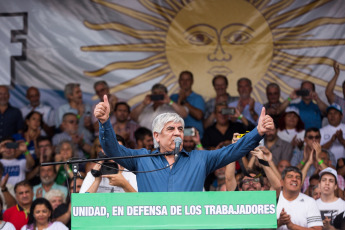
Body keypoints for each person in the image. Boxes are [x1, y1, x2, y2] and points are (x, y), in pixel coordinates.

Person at [95, 94, 274, 192]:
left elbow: (233, 151)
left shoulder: (200, 159)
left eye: (180, 129)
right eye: (170, 129)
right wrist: (104, 122)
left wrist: (257, 132)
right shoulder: (141, 159)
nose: (177, 133)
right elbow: (113, 149)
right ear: (156, 136)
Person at [170, 71, 205, 137]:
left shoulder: (198, 98)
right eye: (182, 79)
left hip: (194, 136)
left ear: (192, 81)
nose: (185, 82)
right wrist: (179, 100)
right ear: (179, 81)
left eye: (187, 80)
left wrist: (184, 101)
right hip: (176, 134)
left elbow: (199, 116)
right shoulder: (172, 98)